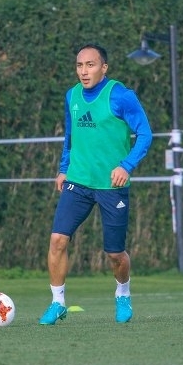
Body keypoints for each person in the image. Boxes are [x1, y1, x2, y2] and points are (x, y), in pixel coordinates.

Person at [39, 43, 153, 325]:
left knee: (115, 254)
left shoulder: (121, 96)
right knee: (57, 240)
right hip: (77, 182)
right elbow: (70, 136)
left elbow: (145, 134)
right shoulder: (72, 96)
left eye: (90, 65)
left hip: (111, 186)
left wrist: (126, 166)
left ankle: (123, 293)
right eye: (79, 65)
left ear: (104, 67)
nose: (84, 71)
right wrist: (63, 169)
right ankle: (57, 302)